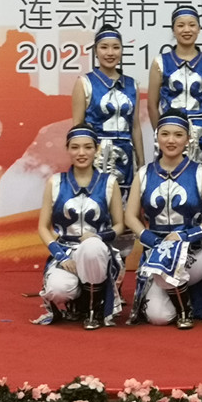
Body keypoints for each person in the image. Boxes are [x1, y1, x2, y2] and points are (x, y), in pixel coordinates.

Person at [125, 109, 202, 329]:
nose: (171, 140)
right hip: (156, 250)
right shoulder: (144, 174)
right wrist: (150, 239)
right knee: (158, 317)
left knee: (168, 270)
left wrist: (186, 235)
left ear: (188, 139)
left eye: (178, 135)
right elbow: (130, 216)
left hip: (194, 250)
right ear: (157, 137)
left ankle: (184, 309)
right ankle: (182, 300)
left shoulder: (200, 173)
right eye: (165, 134)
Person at [34, 124, 124, 329]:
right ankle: (79, 299)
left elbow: (120, 225)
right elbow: (43, 227)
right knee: (57, 290)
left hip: (97, 252)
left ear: (96, 149)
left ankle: (94, 308)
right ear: (67, 149)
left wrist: (99, 237)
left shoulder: (109, 183)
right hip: (66, 250)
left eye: (87, 147)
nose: (81, 153)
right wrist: (61, 256)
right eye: (75, 147)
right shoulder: (55, 182)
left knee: (91, 247)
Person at [146, 5, 202, 179]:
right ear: (173, 29)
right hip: (170, 131)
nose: (187, 30)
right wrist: (163, 131)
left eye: (192, 25)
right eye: (180, 25)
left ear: (199, 29)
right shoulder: (160, 62)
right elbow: (152, 105)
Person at [72, 24, 145, 197]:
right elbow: (77, 128)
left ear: (122, 50)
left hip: (125, 158)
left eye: (115, 47)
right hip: (96, 157)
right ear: (96, 51)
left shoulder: (132, 85)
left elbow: (135, 126)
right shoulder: (85, 83)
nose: (110, 53)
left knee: (125, 204)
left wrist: (141, 161)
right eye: (104, 47)